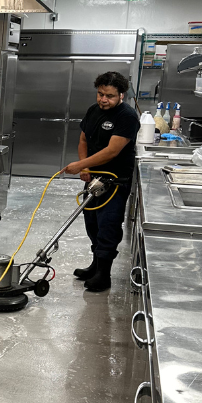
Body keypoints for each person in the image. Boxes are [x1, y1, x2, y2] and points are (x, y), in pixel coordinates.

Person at [61, 71, 140, 292]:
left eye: (110, 96)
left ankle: (104, 275)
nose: (103, 99)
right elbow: (83, 139)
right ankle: (95, 265)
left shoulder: (127, 117)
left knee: (108, 226)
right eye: (100, 94)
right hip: (93, 179)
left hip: (115, 181)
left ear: (121, 95)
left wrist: (78, 166)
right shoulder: (93, 111)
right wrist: (85, 166)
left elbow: (112, 151)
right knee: (92, 223)